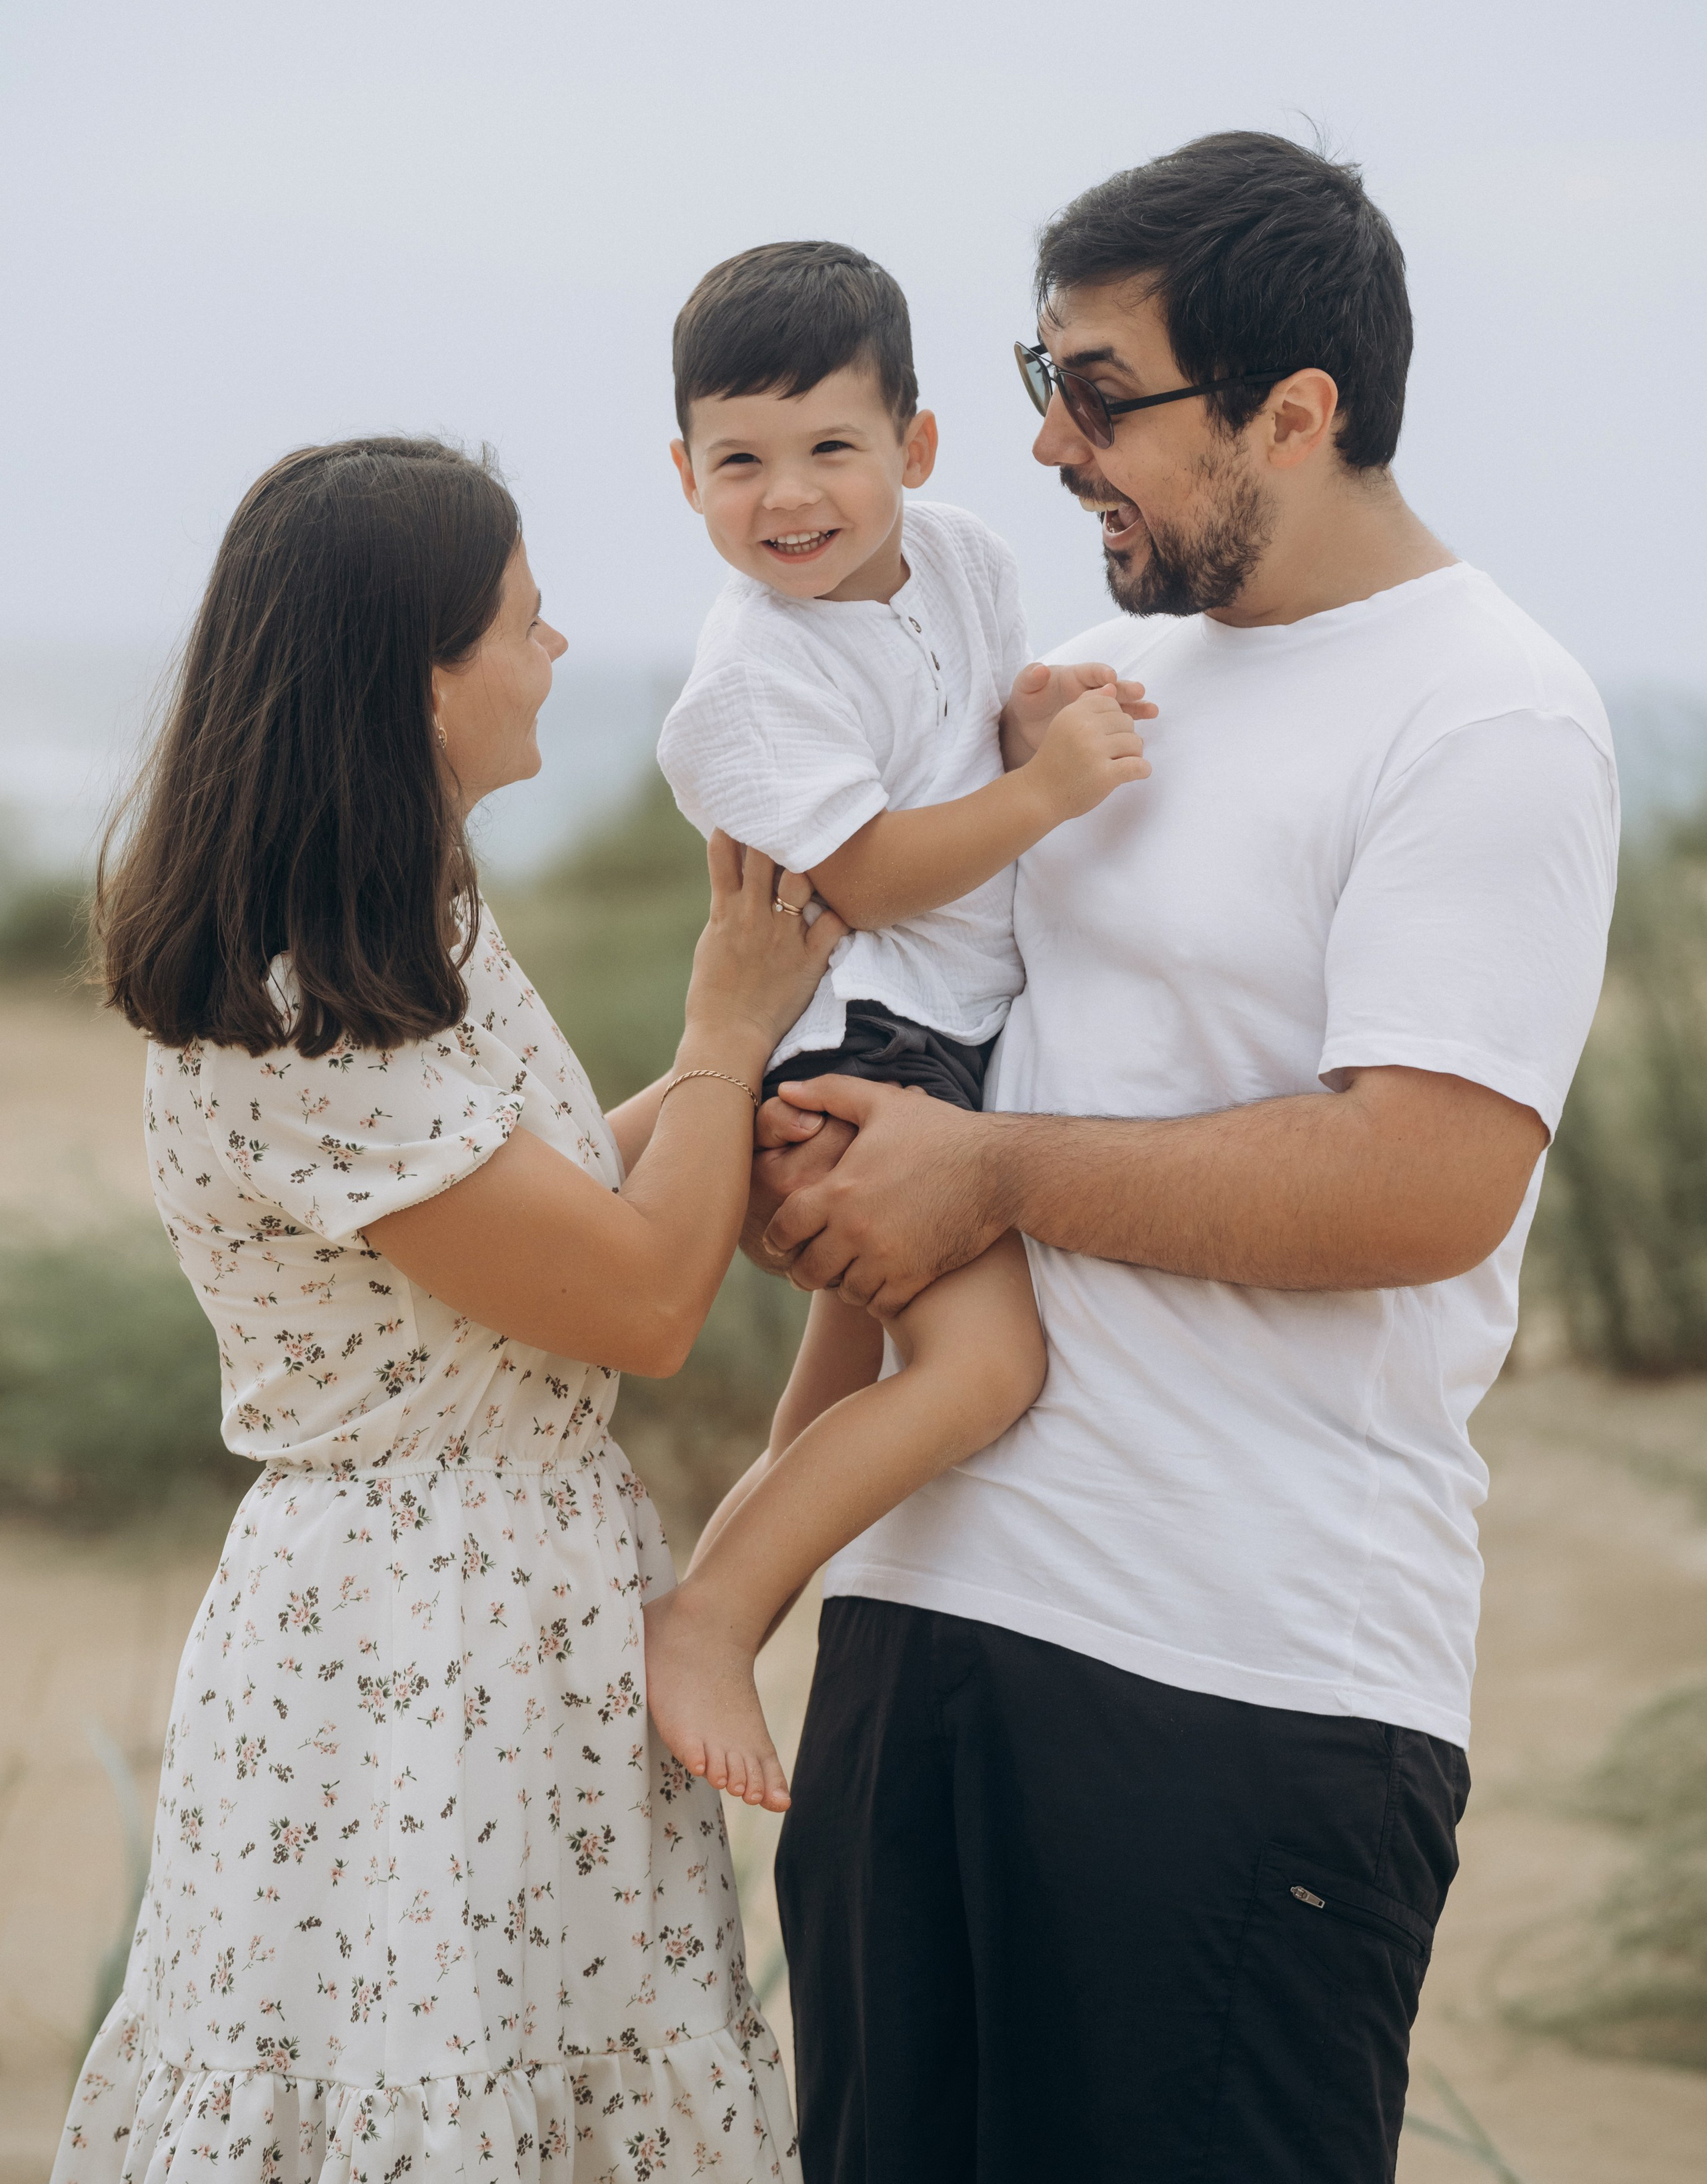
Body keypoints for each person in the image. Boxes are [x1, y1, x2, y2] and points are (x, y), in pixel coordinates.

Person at [748, 137, 1620, 2183]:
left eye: (1105, 392)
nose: (1049, 445)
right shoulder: (1110, 693)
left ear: (1297, 415)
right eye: (1039, 377)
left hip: (1237, 1682)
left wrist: (985, 1175)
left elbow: (1421, 1182)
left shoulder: (1491, 715)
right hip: (922, 1618)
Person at [55, 438, 846, 2184]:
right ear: (418, 680)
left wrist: (742, 1093)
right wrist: (725, 1033)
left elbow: (538, 1205)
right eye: (527, 620)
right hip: (419, 1649)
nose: (556, 650)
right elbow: (637, 1299)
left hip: (510, 1607)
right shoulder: (304, 1006)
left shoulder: (406, 928)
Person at [641, 243, 1154, 1813]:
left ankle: (737, 1599)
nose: (785, 498)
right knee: (984, 1364)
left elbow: (960, 722)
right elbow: (862, 870)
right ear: (683, 475)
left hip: (957, 1028)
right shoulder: (745, 681)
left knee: (844, 1370)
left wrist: (1020, 722)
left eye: (828, 451)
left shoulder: (964, 557)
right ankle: (710, 1619)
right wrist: (1046, 790)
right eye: (738, 460)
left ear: (912, 452)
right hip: (862, 1044)